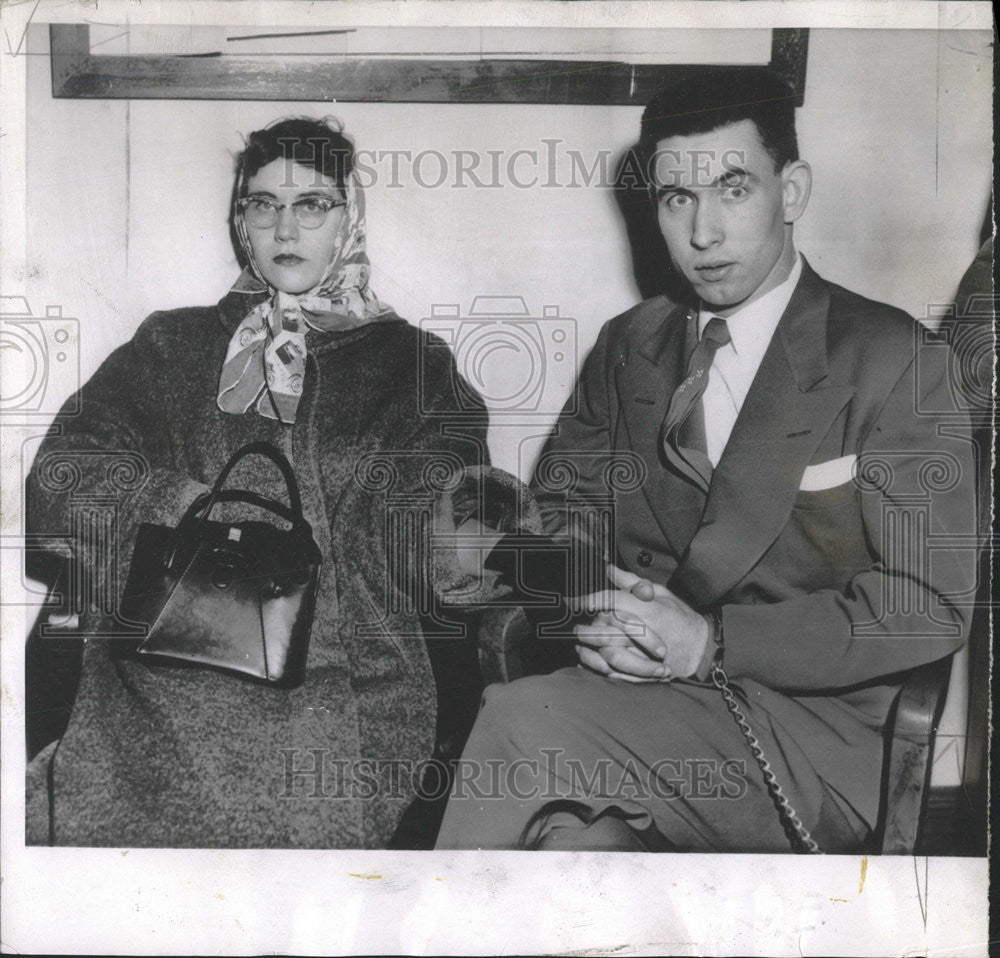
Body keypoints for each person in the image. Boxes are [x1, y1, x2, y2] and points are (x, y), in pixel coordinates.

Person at [435, 68, 978, 852]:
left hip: (813, 735)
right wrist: (597, 611)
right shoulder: (630, 347)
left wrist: (710, 643)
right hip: (643, 709)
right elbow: (568, 518)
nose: (703, 233)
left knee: (519, 721)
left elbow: (931, 602)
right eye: (676, 198)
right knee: (567, 851)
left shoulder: (896, 360)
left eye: (733, 188)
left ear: (791, 191)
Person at [25, 116, 513, 848]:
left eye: (312, 204)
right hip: (165, 677)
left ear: (350, 218)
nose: (286, 226)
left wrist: (480, 528)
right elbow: (61, 479)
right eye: (263, 204)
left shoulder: (414, 367)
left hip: (343, 688)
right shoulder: (174, 344)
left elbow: (430, 537)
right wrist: (191, 513)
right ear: (240, 221)